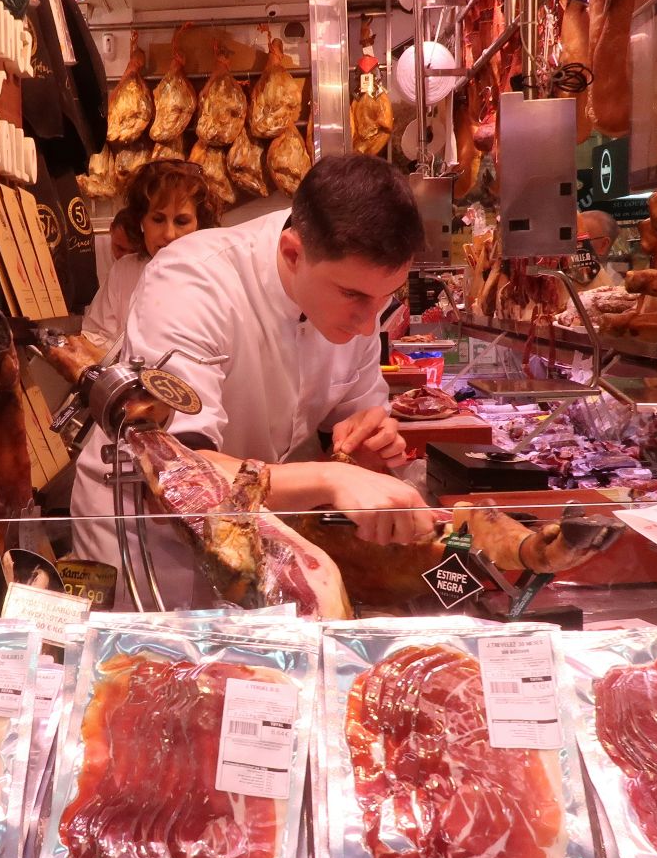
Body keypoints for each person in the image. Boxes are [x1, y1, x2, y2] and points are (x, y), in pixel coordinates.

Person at [70, 154, 433, 608]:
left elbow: (355, 417)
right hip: (151, 539)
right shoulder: (192, 281)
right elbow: (180, 471)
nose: (367, 325)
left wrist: (366, 446)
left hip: (257, 531)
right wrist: (329, 476)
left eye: (384, 299)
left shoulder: (358, 300)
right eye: (353, 296)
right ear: (292, 253)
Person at [83, 160, 223, 353]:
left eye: (181, 221)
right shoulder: (124, 271)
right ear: (142, 221)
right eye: (158, 219)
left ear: (199, 224)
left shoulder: (218, 277)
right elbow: (95, 338)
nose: (169, 234)